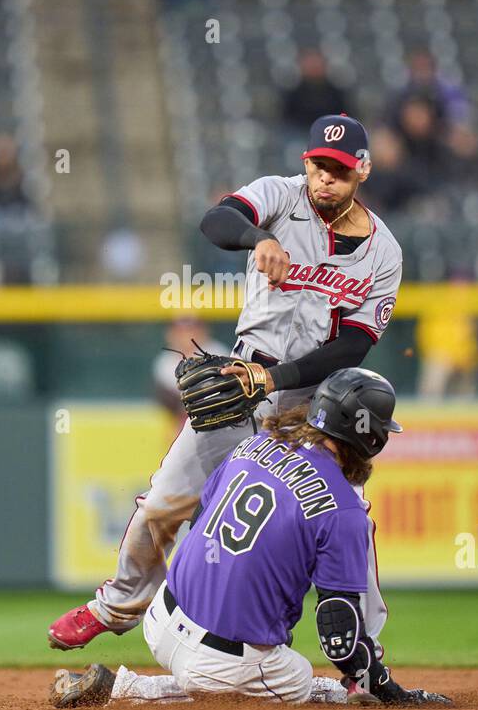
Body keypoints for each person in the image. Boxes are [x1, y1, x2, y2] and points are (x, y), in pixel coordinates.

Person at [47, 114, 403, 653]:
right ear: (306, 163)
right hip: (240, 383)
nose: (326, 178)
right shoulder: (281, 197)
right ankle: (113, 606)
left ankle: (364, 653)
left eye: (340, 170)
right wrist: (258, 237)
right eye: (319, 166)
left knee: (351, 519)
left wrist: (276, 377)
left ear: (363, 173)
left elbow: (352, 347)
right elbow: (218, 220)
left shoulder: (384, 253)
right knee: (164, 501)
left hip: (316, 409)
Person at [50, 368, 450, 708]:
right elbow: (338, 637)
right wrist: (386, 689)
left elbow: (201, 519)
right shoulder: (344, 510)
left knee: (251, 667)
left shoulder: (254, 444)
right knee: (304, 679)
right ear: (370, 438)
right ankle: (127, 691)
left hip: (160, 618)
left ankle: (190, 675)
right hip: (221, 661)